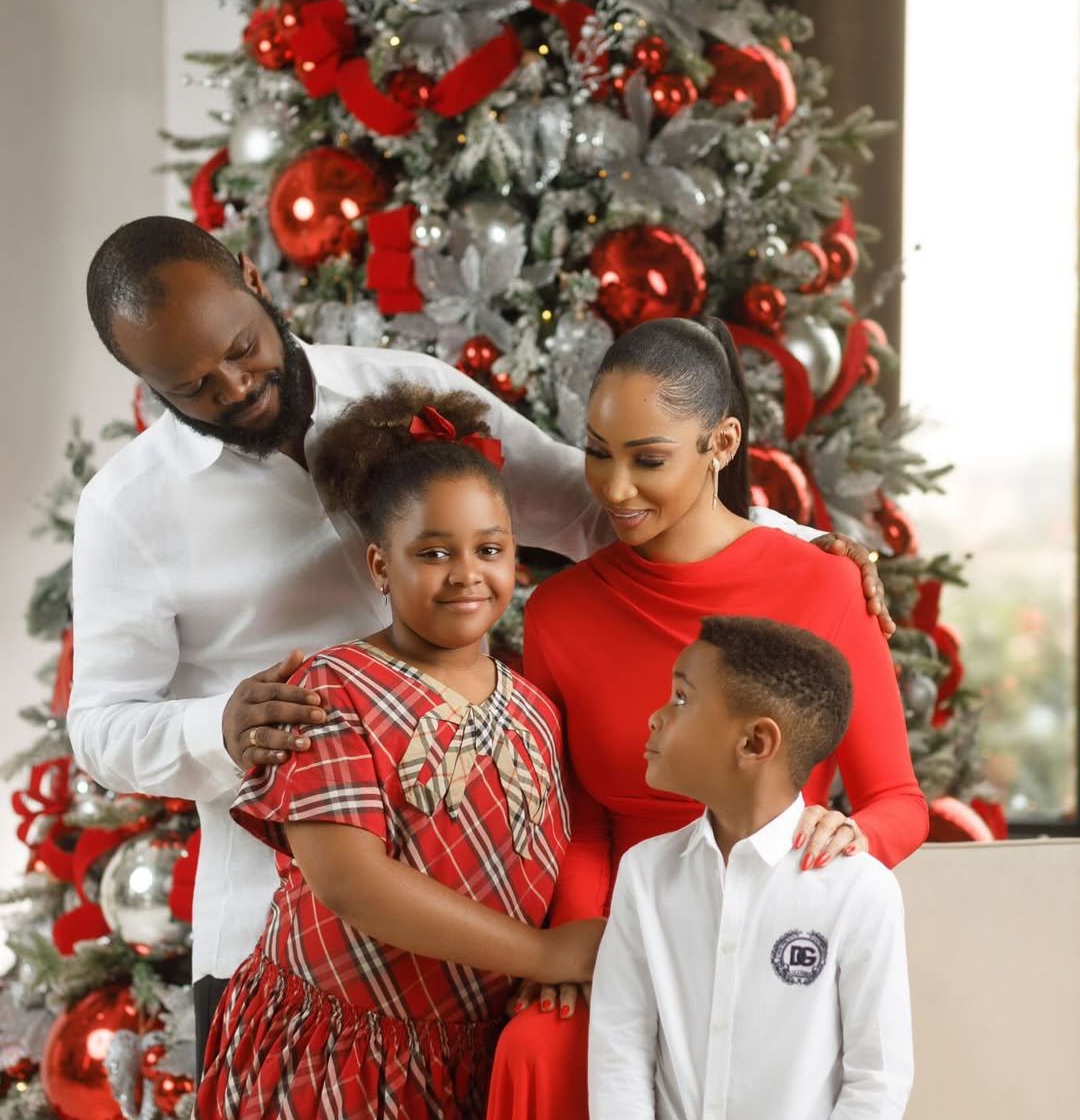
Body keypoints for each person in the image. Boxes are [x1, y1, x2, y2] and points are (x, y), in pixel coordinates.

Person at [69, 217, 881, 1071]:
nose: (234, 386)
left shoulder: (409, 391)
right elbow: (99, 730)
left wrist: (788, 550)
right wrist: (218, 728)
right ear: (140, 377)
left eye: (241, 349)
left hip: (504, 930)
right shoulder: (128, 510)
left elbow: (592, 503)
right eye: (192, 386)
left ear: (251, 278)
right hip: (281, 952)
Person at [468, 317, 928, 1120]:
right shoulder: (564, 611)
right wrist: (581, 945)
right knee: (540, 1053)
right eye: (596, 450)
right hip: (633, 916)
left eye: (648, 458)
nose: (613, 487)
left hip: (784, 909)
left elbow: (898, 796)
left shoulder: (820, 588)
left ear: (721, 447)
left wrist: (846, 834)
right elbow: (579, 809)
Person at [147, 385, 604, 1120]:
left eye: (488, 548)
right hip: (346, 1071)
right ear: (379, 566)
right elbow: (350, 881)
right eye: (433, 552)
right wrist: (542, 953)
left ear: (517, 559)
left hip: (472, 1067)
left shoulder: (533, 705)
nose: (466, 574)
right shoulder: (331, 691)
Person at [591, 616, 914, 1120]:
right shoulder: (646, 875)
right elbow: (619, 1053)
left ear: (755, 742)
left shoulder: (856, 888)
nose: (655, 717)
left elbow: (880, 1079)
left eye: (680, 697)